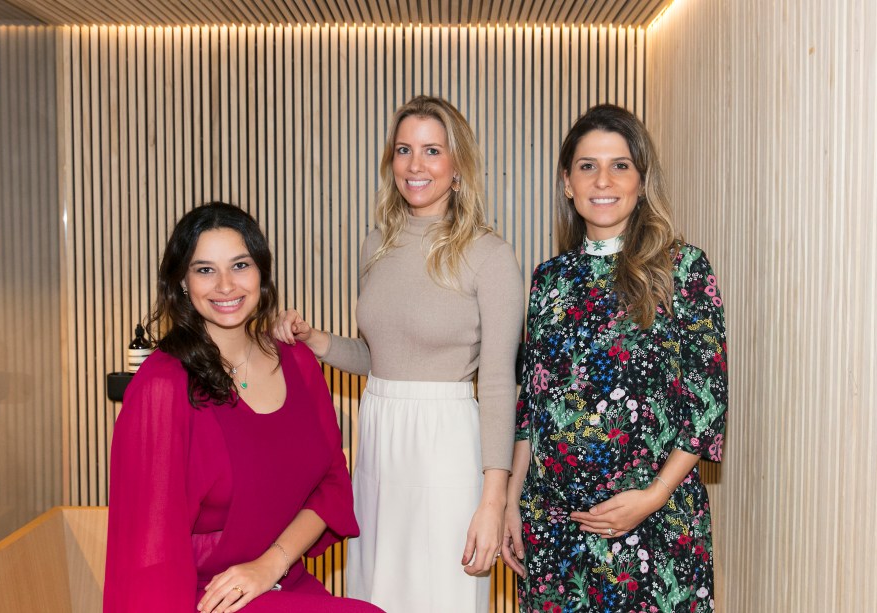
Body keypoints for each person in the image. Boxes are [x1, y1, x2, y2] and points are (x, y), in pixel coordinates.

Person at [273, 95, 525, 612]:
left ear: (458, 166)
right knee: (378, 593)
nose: (415, 165)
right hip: (379, 439)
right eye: (404, 150)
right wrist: (316, 340)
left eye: (433, 150)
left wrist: (493, 501)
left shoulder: (489, 255)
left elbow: (499, 383)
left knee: (441, 597)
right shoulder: (376, 245)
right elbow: (380, 357)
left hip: (449, 448)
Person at [501, 104, 727, 612]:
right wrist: (512, 502)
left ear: (642, 180)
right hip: (555, 529)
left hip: (655, 522)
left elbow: (708, 402)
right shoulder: (548, 280)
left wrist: (652, 496)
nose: (603, 179)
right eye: (587, 166)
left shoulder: (683, 268)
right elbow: (532, 404)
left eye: (620, 165)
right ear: (567, 182)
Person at [104, 202, 383, 613]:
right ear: (182, 282)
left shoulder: (299, 362)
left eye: (239, 265)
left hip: (279, 578)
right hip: (203, 596)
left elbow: (332, 487)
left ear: (261, 273)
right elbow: (147, 549)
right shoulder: (162, 386)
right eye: (204, 270)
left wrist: (269, 567)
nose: (225, 285)